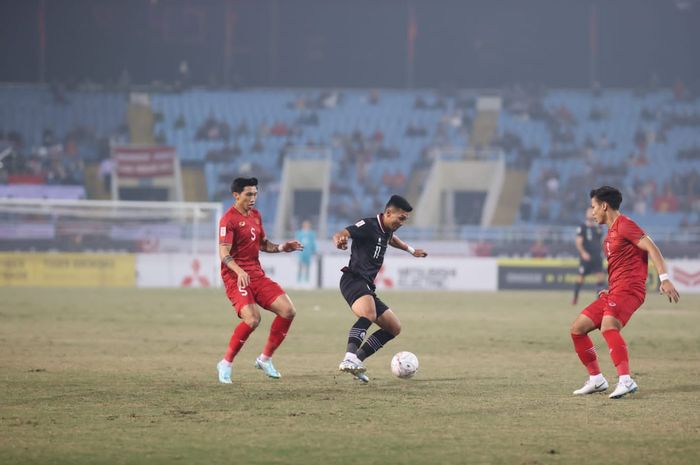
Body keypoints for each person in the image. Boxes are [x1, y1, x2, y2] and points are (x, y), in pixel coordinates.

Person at [570, 186, 680, 399]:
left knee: (608, 326)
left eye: (593, 207)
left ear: (604, 206)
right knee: (577, 329)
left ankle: (626, 380)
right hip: (616, 290)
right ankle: (596, 380)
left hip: (630, 290)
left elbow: (652, 248)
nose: (592, 212)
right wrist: (610, 288)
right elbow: (623, 264)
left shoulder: (625, 225)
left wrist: (664, 279)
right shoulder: (610, 234)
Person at [216, 177, 304, 384]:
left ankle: (265, 359)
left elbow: (262, 244)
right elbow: (223, 252)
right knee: (253, 319)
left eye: (255, 194)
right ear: (236, 195)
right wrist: (239, 272)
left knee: (288, 310)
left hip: (256, 274)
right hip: (235, 277)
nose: (253, 198)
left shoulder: (256, 215)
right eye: (249, 194)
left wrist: (283, 247)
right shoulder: (228, 219)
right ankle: (226, 363)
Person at [333, 195, 428, 383]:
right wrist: (339, 239)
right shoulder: (368, 225)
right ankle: (349, 358)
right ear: (388, 213)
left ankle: (357, 361)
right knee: (368, 313)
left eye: (405, 220)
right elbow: (343, 232)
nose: (402, 223)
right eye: (400, 218)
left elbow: (391, 239)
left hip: (367, 285)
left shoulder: (386, 230)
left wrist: (411, 251)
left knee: (393, 327)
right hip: (353, 280)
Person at [572, 207, 606, 305]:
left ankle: (598, 301)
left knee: (600, 277)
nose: (591, 213)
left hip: (597, 257)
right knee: (581, 278)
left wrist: (604, 252)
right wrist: (583, 253)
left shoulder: (599, 227)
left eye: (592, 212)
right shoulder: (582, 227)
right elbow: (578, 242)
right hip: (586, 257)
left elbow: (602, 241)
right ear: (586, 214)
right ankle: (575, 298)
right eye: (589, 212)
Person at [294, 219, 317, 284]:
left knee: (307, 266)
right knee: (300, 266)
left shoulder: (311, 234)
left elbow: (313, 243)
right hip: (301, 252)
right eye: (305, 225)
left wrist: (314, 251)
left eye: (307, 225)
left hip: (308, 252)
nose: (306, 226)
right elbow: (296, 242)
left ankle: (307, 280)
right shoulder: (299, 233)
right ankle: (299, 280)